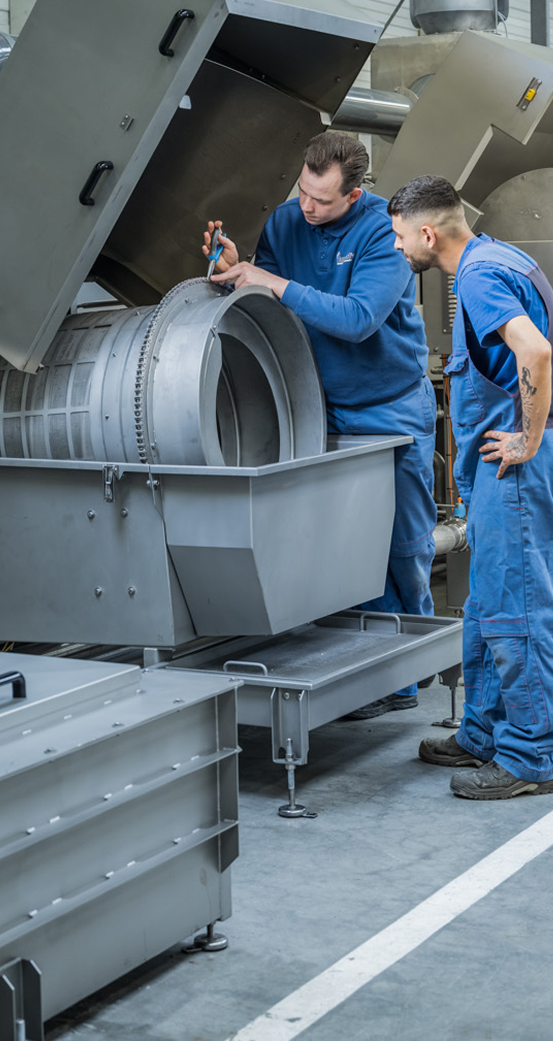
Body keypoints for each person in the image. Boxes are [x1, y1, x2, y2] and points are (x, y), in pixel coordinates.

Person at [204, 129, 438, 715]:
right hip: (317, 405)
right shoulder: (285, 222)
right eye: (303, 192)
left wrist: (274, 282)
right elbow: (267, 303)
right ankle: (371, 672)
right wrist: (237, 270)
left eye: (322, 200)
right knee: (343, 544)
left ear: (354, 194)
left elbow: (358, 319)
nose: (307, 207)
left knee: (402, 545)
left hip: (389, 407)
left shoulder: (385, 231)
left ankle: (412, 664)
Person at [388, 175, 553, 800]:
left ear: (427, 233)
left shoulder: (477, 276)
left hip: (515, 471)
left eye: (399, 237)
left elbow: (534, 352)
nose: (398, 248)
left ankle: (529, 759)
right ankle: (484, 734)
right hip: (507, 472)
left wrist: (526, 438)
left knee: (518, 612)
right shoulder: (498, 256)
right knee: (487, 607)